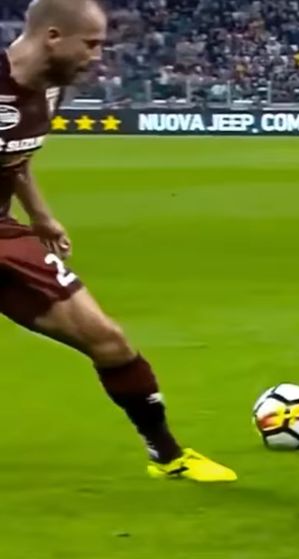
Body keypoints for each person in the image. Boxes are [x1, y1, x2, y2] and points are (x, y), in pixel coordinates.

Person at [0, 0, 235, 482]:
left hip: (4, 232)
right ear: (53, 37)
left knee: (108, 341)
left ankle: (167, 457)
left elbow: (16, 159)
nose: (97, 57)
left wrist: (41, 217)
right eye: (91, 45)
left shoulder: (51, 90)